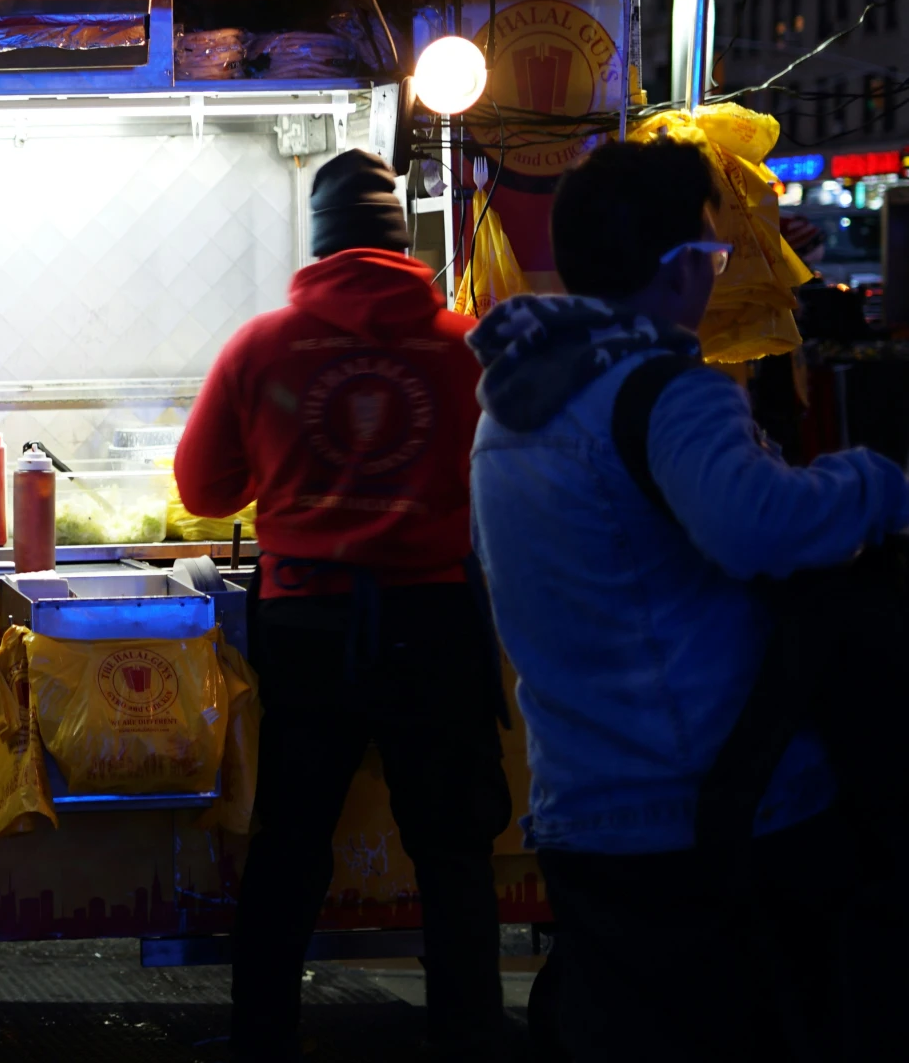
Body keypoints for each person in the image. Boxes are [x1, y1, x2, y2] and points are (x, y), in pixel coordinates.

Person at [467, 138, 909, 1061]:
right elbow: (755, 524)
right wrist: (873, 480)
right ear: (674, 270)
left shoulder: (512, 404)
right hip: (710, 813)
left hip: (583, 806)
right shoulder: (667, 390)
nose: (713, 277)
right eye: (710, 256)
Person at [175, 149, 509, 1063]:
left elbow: (203, 489)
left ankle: (262, 1038)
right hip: (434, 623)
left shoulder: (262, 345)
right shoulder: (464, 342)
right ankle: (471, 1037)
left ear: (319, 242)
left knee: (289, 846)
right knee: (452, 851)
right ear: (399, 240)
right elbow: (506, 484)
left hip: (308, 628)